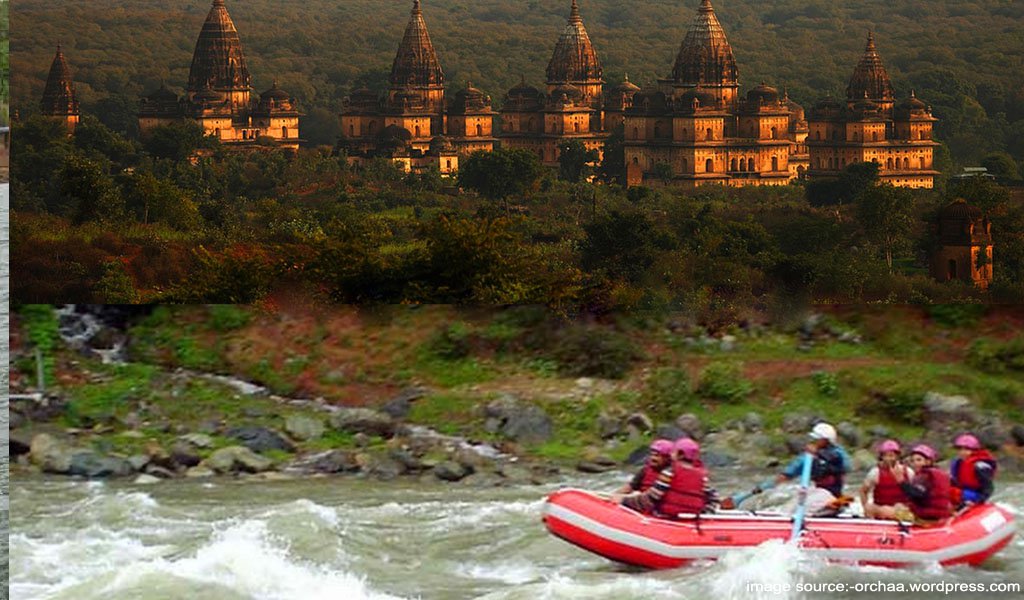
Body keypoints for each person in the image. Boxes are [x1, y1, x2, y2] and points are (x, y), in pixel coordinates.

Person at [615, 437, 710, 518]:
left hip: (665, 516)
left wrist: (624, 501)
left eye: (673, 452)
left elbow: (649, 499)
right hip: (689, 518)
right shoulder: (702, 477)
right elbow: (711, 500)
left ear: (679, 454)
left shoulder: (669, 473)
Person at [775, 422, 851, 497]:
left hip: (833, 491)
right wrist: (784, 476)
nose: (814, 440)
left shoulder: (837, 453)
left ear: (825, 440)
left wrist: (817, 453)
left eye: (817, 439)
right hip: (820, 489)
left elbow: (844, 465)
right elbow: (795, 467)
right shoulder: (809, 455)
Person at [895, 444, 953, 523]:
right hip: (940, 513)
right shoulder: (939, 473)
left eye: (919, 460)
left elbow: (918, 494)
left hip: (928, 515)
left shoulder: (925, 475)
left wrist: (901, 482)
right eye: (913, 461)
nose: (915, 463)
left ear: (928, 461)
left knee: (896, 509)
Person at [860, 439, 914, 520]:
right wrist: (865, 506)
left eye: (891, 455)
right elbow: (863, 491)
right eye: (886, 456)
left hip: (901, 508)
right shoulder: (875, 472)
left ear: (897, 456)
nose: (888, 459)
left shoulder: (908, 472)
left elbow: (914, 493)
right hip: (881, 507)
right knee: (871, 508)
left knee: (890, 509)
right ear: (882, 457)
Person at [949, 433, 997, 507]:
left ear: (974, 450)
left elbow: (988, 487)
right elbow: (954, 482)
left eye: (966, 449)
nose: (962, 452)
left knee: (953, 493)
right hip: (963, 492)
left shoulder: (980, 466)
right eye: (960, 449)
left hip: (977, 495)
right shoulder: (958, 463)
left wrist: (979, 501)